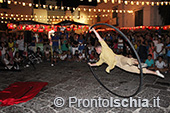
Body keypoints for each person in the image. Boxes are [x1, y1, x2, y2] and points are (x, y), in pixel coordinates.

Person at [88, 28, 164, 78]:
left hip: (118, 58)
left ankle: (140, 64)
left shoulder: (104, 47)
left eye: (96, 50)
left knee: (129, 60)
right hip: (119, 65)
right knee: (137, 71)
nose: (96, 51)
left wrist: (94, 30)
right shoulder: (101, 57)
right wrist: (91, 64)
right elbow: (98, 63)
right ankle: (155, 73)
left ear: (98, 48)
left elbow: (99, 38)